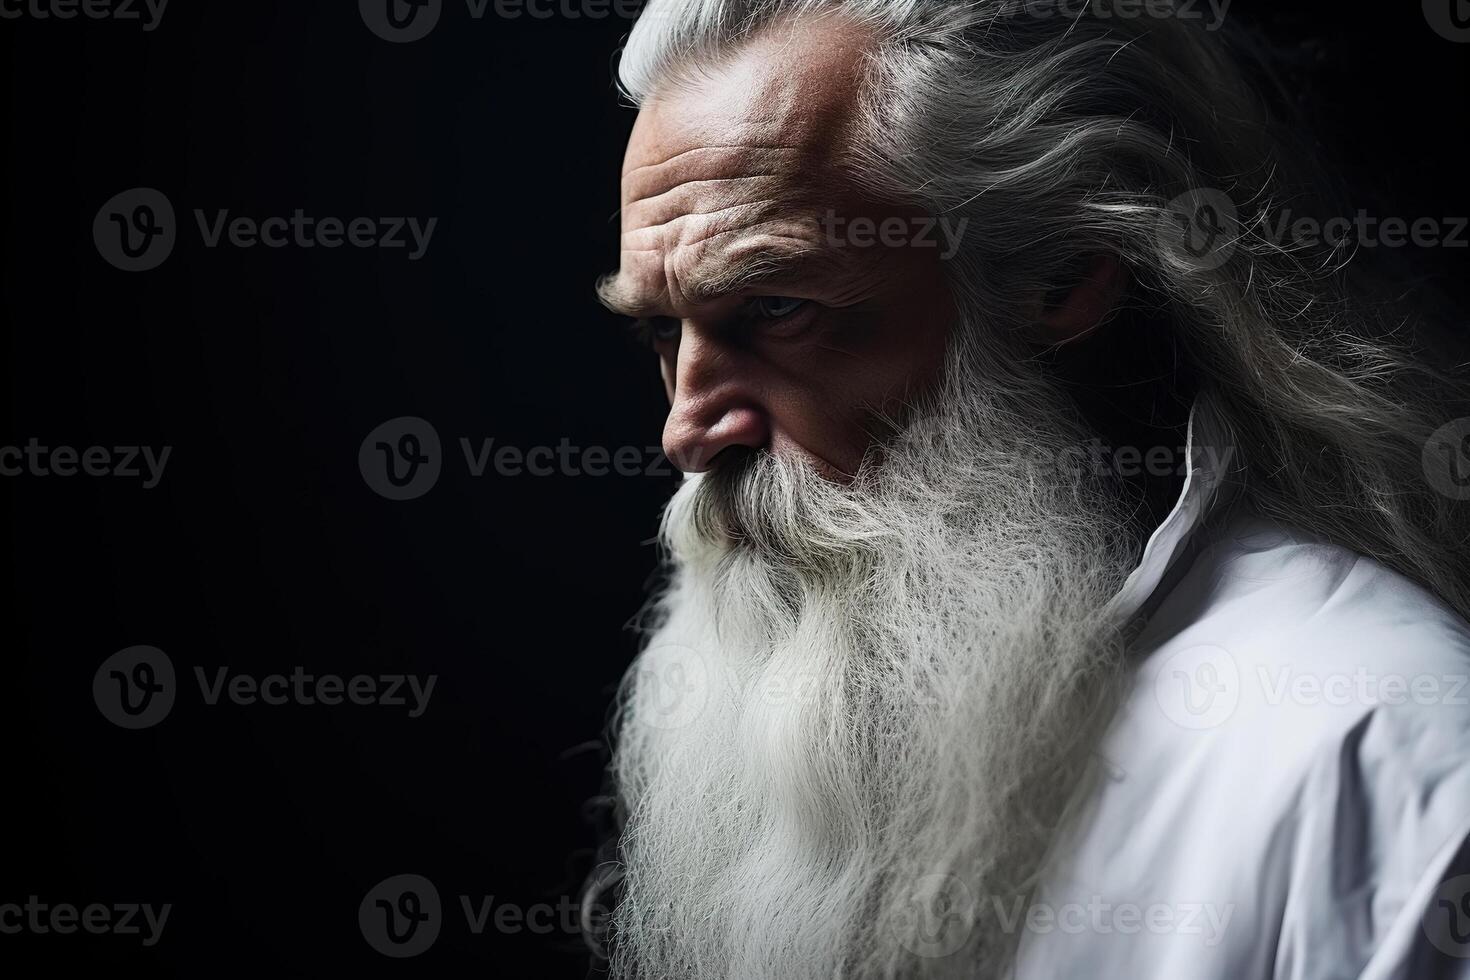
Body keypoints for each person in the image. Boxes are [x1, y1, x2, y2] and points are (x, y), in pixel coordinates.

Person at [588, 2, 1470, 976]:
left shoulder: (1375, 755)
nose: (687, 429)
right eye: (664, 334)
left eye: (776, 308)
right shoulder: (827, 718)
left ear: (1062, 278)